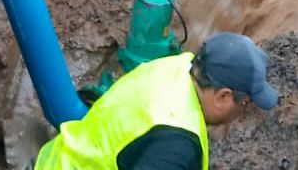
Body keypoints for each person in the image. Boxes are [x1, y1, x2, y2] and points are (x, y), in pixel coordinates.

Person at [34, 32, 279, 170]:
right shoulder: (177, 146)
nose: (242, 112)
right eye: (244, 103)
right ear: (223, 96)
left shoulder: (179, 65)